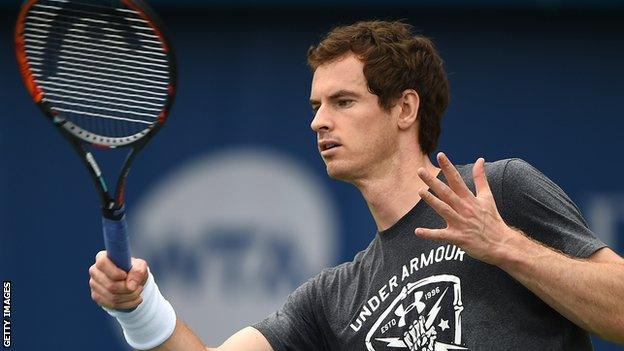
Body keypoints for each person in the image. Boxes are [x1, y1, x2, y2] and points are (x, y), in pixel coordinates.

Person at [88, 20, 624, 350]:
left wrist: (506, 247)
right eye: (315, 106)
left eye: (343, 102)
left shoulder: (500, 191)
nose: (318, 122)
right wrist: (137, 308)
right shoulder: (332, 298)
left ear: (405, 108)